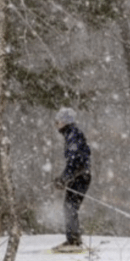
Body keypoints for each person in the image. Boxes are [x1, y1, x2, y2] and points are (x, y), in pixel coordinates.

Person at [53, 107, 91, 252]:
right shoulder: (72, 134)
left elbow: (74, 161)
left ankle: (74, 241)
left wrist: (65, 178)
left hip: (80, 177)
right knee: (69, 206)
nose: (57, 124)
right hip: (79, 176)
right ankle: (73, 238)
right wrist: (64, 178)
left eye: (58, 121)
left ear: (65, 121)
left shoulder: (73, 135)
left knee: (70, 207)